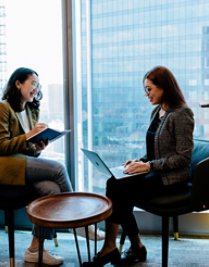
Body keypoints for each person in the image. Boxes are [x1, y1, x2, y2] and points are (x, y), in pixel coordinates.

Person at [0, 67, 104, 266]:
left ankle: (34, 249)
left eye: (38, 86)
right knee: (58, 168)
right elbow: (2, 146)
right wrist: (29, 137)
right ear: (18, 83)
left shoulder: (30, 110)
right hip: (2, 164)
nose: (36, 89)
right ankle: (79, 222)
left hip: (20, 162)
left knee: (51, 190)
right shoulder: (2, 108)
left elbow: (27, 149)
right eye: (33, 83)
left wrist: (38, 145)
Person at [83, 65, 195, 266]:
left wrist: (148, 166)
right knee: (114, 182)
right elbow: (154, 150)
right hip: (155, 171)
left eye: (149, 89)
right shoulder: (157, 111)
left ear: (164, 87)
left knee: (120, 190)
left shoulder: (182, 114)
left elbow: (183, 158)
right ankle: (130, 247)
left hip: (172, 178)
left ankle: (118, 247)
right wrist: (139, 162)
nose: (146, 94)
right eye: (145, 89)